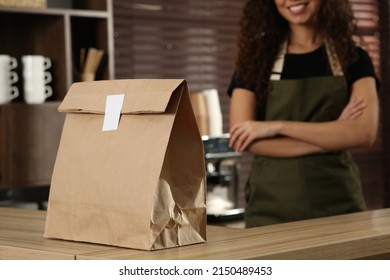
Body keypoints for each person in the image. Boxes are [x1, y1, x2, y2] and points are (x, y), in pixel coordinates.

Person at [228, 0, 380, 228]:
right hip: (270, 210)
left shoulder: (354, 58)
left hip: (339, 206)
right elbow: (243, 137)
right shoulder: (255, 60)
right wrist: (332, 136)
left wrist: (275, 126)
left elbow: (363, 133)